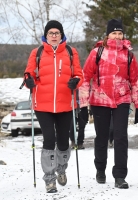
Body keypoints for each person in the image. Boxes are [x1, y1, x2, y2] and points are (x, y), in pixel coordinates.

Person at [80, 18, 138, 189]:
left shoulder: (128, 55)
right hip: (100, 100)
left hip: (122, 99)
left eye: (119, 33)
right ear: (108, 35)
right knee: (101, 137)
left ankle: (120, 175)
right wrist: (83, 106)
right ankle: (100, 169)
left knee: (121, 137)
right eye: (114, 33)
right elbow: (85, 78)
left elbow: (136, 80)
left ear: (123, 35)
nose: (117, 36)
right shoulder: (97, 53)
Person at [23, 20, 83, 193]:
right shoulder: (37, 53)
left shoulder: (71, 52)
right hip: (43, 104)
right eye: (51, 33)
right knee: (49, 139)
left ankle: (61, 168)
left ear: (62, 35)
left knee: (63, 142)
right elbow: (29, 74)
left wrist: (76, 82)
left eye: (57, 33)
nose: (54, 36)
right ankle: (49, 179)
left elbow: (79, 74)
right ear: (46, 35)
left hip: (65, 104)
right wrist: (28, 81)